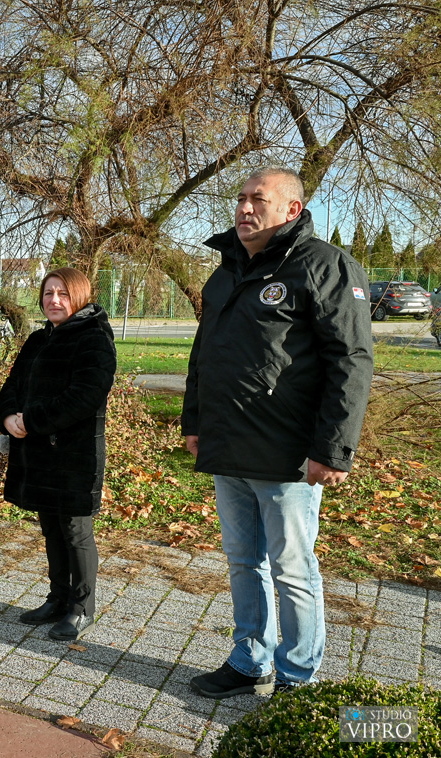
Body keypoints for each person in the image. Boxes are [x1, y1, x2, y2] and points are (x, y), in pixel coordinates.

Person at [184, 167, 373, 698]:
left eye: (258, 200)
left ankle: (298, 678)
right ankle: (250, 660)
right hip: (228, 447)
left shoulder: (324, 265)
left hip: (288, 455)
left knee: (292, 569)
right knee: (244, 562)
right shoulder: (225, 272)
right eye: (240, 199)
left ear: (291, 209)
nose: (244, 208)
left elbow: (351, 360)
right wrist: (196, 421)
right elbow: (206, 355)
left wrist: (333, 448)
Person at [0, 268, 116, 641]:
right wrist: (9, 418)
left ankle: (82, 608)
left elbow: (84, 396)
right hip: (38, 453)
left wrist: (30, 420)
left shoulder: (94, 339)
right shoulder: (37, 339)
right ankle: (57, 598)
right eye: (48, 293)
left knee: (75, 530)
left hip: (73, 455)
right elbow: (13, 384)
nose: (54, 300)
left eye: (63, 293)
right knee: (50, 526)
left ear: (78, 296)